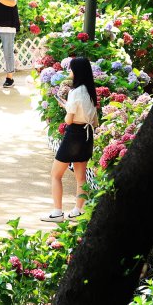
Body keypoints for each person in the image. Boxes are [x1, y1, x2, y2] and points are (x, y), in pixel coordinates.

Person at [42, 57, 99, 222]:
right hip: (87, 135)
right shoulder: (90, 91)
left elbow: (68, 120)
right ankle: (77, 211)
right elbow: (93, 120)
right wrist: (69, 106)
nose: (70, 72)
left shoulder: (75, 91)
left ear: (77, 72)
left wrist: (66, 106)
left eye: (72, 69)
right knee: (81, 177)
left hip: (73, 134)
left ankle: (57, 212)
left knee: (55, 174)